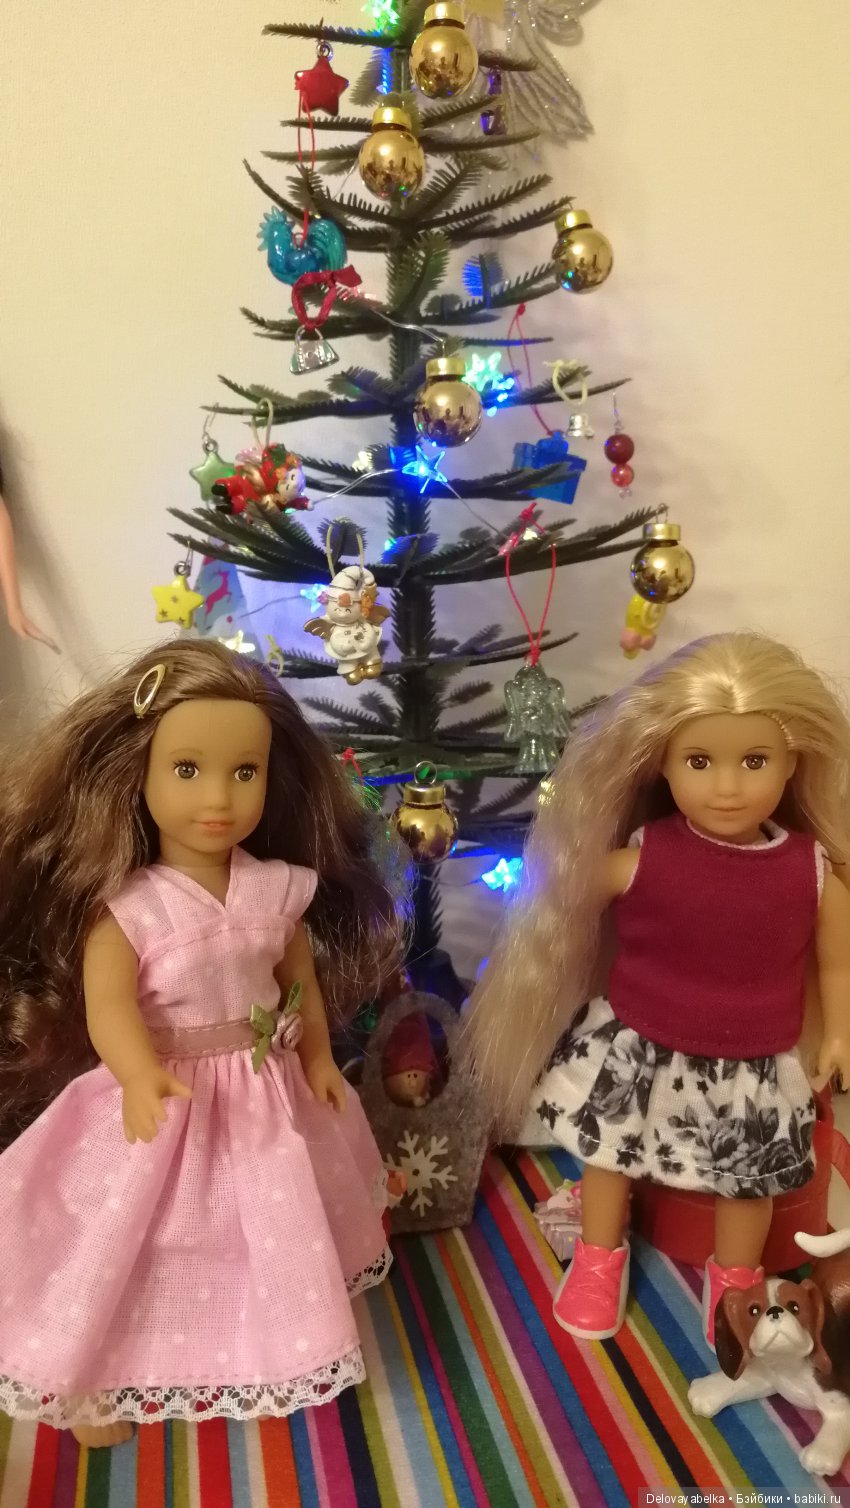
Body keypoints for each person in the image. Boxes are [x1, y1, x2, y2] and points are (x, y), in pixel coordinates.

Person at [0, 640, 408, 1444]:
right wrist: (137, 1074)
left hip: (264, 1100)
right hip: (166, 1097)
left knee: (266, 1231)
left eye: (243, 772)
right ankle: (94, 1383)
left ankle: (270, 1348)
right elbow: (109, 1007)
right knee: (139, 1240)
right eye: (187, 770)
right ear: (139, 775)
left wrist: (318, 1058)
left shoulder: (276, 889)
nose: (218, 797)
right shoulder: (130, 909)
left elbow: (298, 985)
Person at [465, 634, 850, 1343]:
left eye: (754, 761)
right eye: (699, 762)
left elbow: (838, 965)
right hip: (641, 1041)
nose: (727, 787)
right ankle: (599, 1255)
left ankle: (736, 1280)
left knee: (747, 1181)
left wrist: (838, 1033)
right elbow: (562, 899)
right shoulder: (648, 853)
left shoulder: (811, 871)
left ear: (793, 762)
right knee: (609, 1155)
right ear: (663, 763)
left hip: (755, 1060)